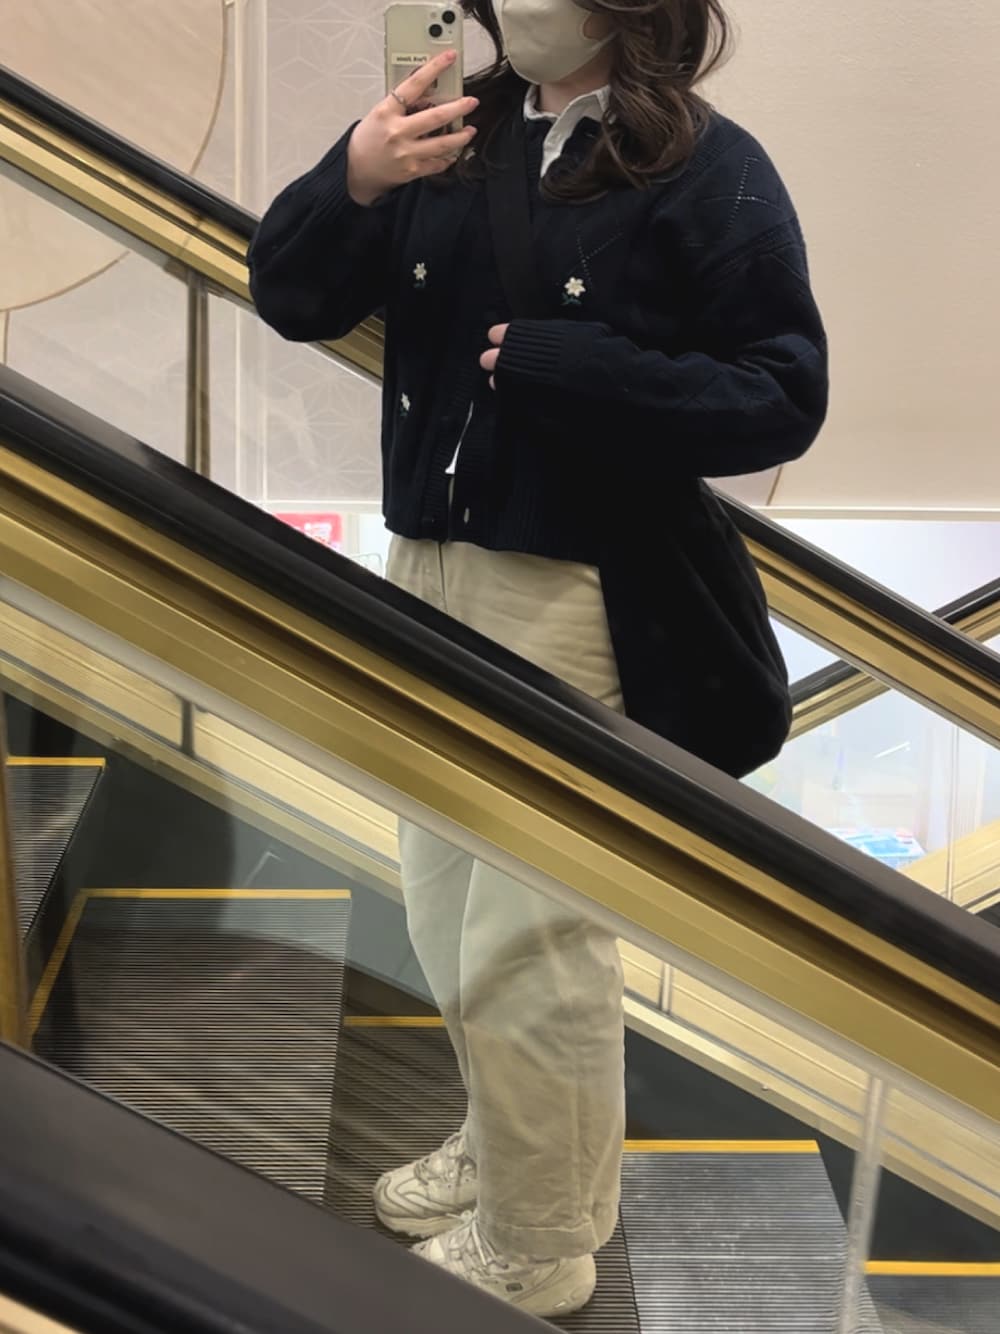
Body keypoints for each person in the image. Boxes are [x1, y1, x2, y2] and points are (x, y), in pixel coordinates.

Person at [249, 0, 828, 1317]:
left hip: (571, 590)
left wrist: (597, 369)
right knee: (443, 908)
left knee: (533, 932)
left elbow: (782, 392)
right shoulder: (452, 133)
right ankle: (512, 1146)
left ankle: (540, 1235)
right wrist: (355, 175)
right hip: (428, 567)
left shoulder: (704, 167)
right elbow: (291, 295)